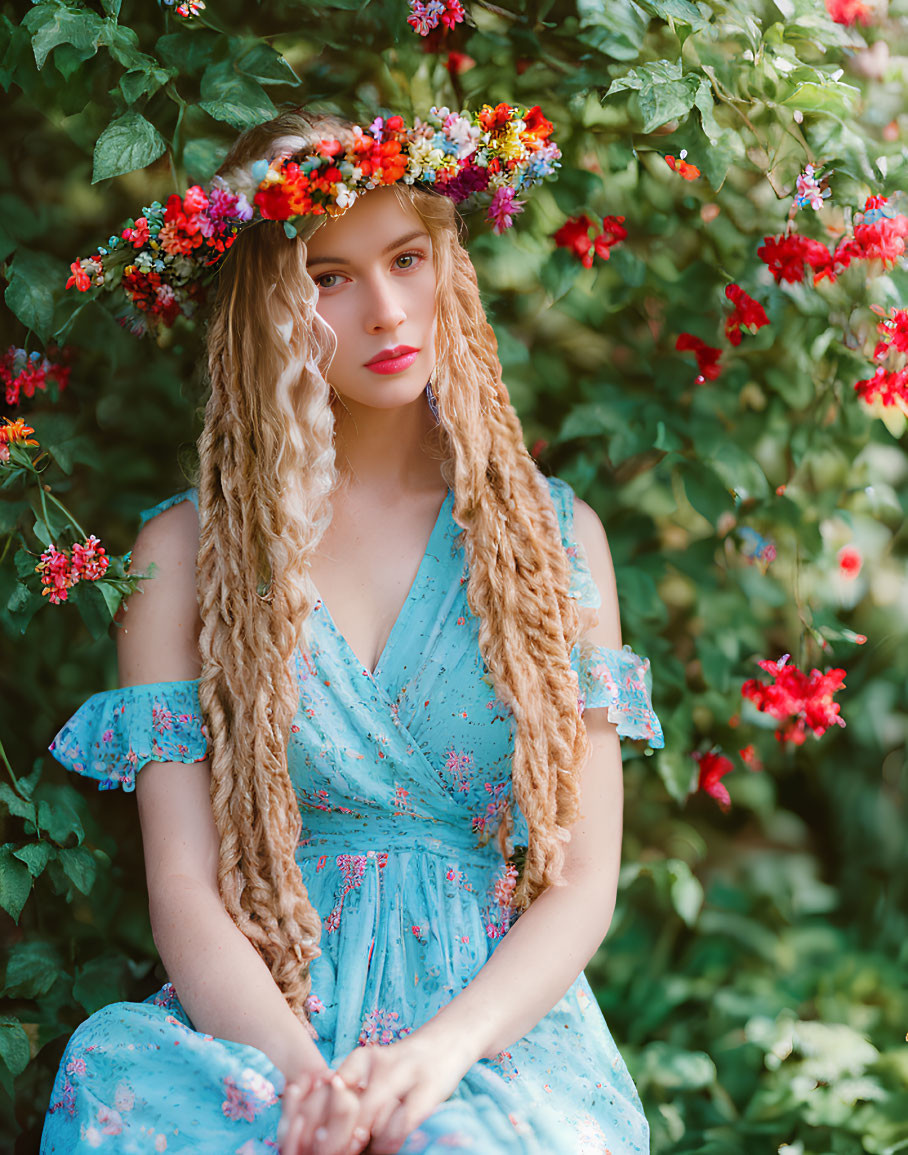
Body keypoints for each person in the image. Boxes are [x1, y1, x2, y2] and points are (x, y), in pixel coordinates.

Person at [41, 106, 664, 1154]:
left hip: (489, 1037)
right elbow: (185, 889)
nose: (385, 309)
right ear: (266, 307)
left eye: (407, 258)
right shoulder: (186, 559)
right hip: (262, 1027)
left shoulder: (550, 539)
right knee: (121, 1089)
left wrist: (433, 1061)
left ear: (446, 265)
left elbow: (580, 882)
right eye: (328, 276)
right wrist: (310, 1089)